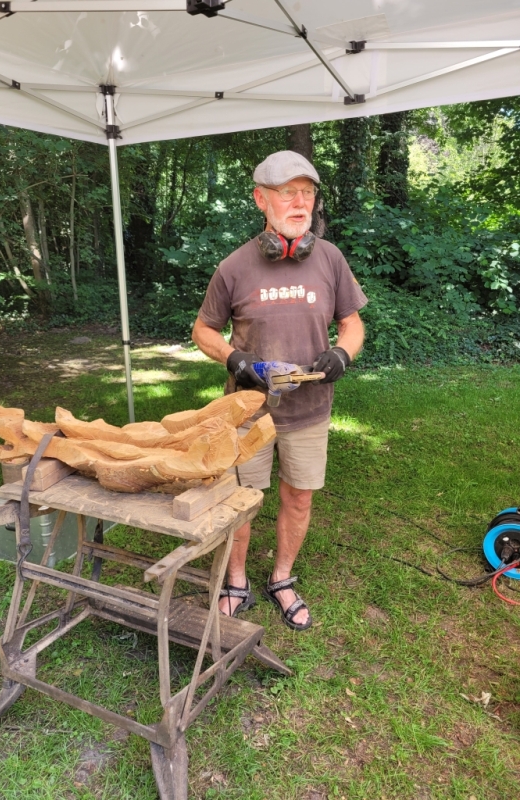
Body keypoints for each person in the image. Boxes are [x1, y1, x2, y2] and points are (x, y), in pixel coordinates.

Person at [192, 150, 367, 631]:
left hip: (309, 411)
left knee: (299, 498)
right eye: (288, 192)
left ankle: (282, 577)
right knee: (241, 501)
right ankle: (236, 580)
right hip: (248, 412)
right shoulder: (234, 266)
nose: (300, 202)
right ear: (261, 199)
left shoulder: (330, 259)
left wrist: (343, 354)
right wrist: (235, 360)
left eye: (307, 193)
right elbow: (203, 330)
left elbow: (353, 324)